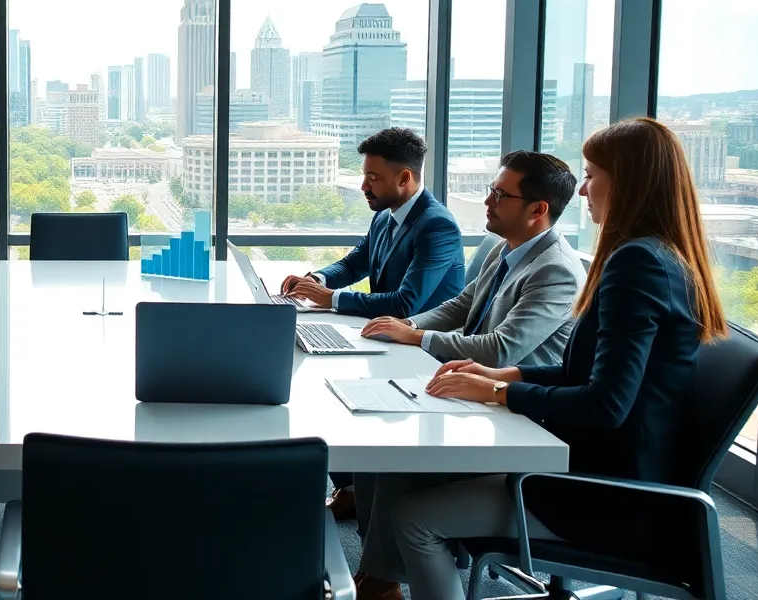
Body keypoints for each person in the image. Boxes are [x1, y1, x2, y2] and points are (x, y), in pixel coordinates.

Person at [353, 118, 728, 600]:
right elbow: (591, 373)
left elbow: (606, 403)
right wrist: (506, 373)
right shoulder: (659, 256)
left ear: (628, 182)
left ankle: (379, 585)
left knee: (414, 519)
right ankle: (377, 585)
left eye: (593, 174)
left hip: (607, 493)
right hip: (605, 467)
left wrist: (499, 390)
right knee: (403, 466)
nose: (586, 188)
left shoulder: (636, 264)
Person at [280, 127, 465, 518]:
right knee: (318, 381)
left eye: (373, 178)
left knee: (334, 391)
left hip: (419, 352)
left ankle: (360, 497)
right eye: (364, 175)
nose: (364, 185)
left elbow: (406, 302)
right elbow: (355, 261)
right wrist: (320, 280)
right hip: (384, 340)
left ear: (405, 178)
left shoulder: (437, 226)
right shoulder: (386, 215)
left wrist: (332, 300)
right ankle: (350, 487)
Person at [361, 150, 585, 369]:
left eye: (500, 195)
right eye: (491, 190)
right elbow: (461, 306)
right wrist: (408, 324)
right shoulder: (504, 247)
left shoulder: (556, 271)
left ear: (538, 210)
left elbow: (500, 350)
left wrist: (416, 336)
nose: (488, 201)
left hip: (507, 399)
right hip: (468, 377)